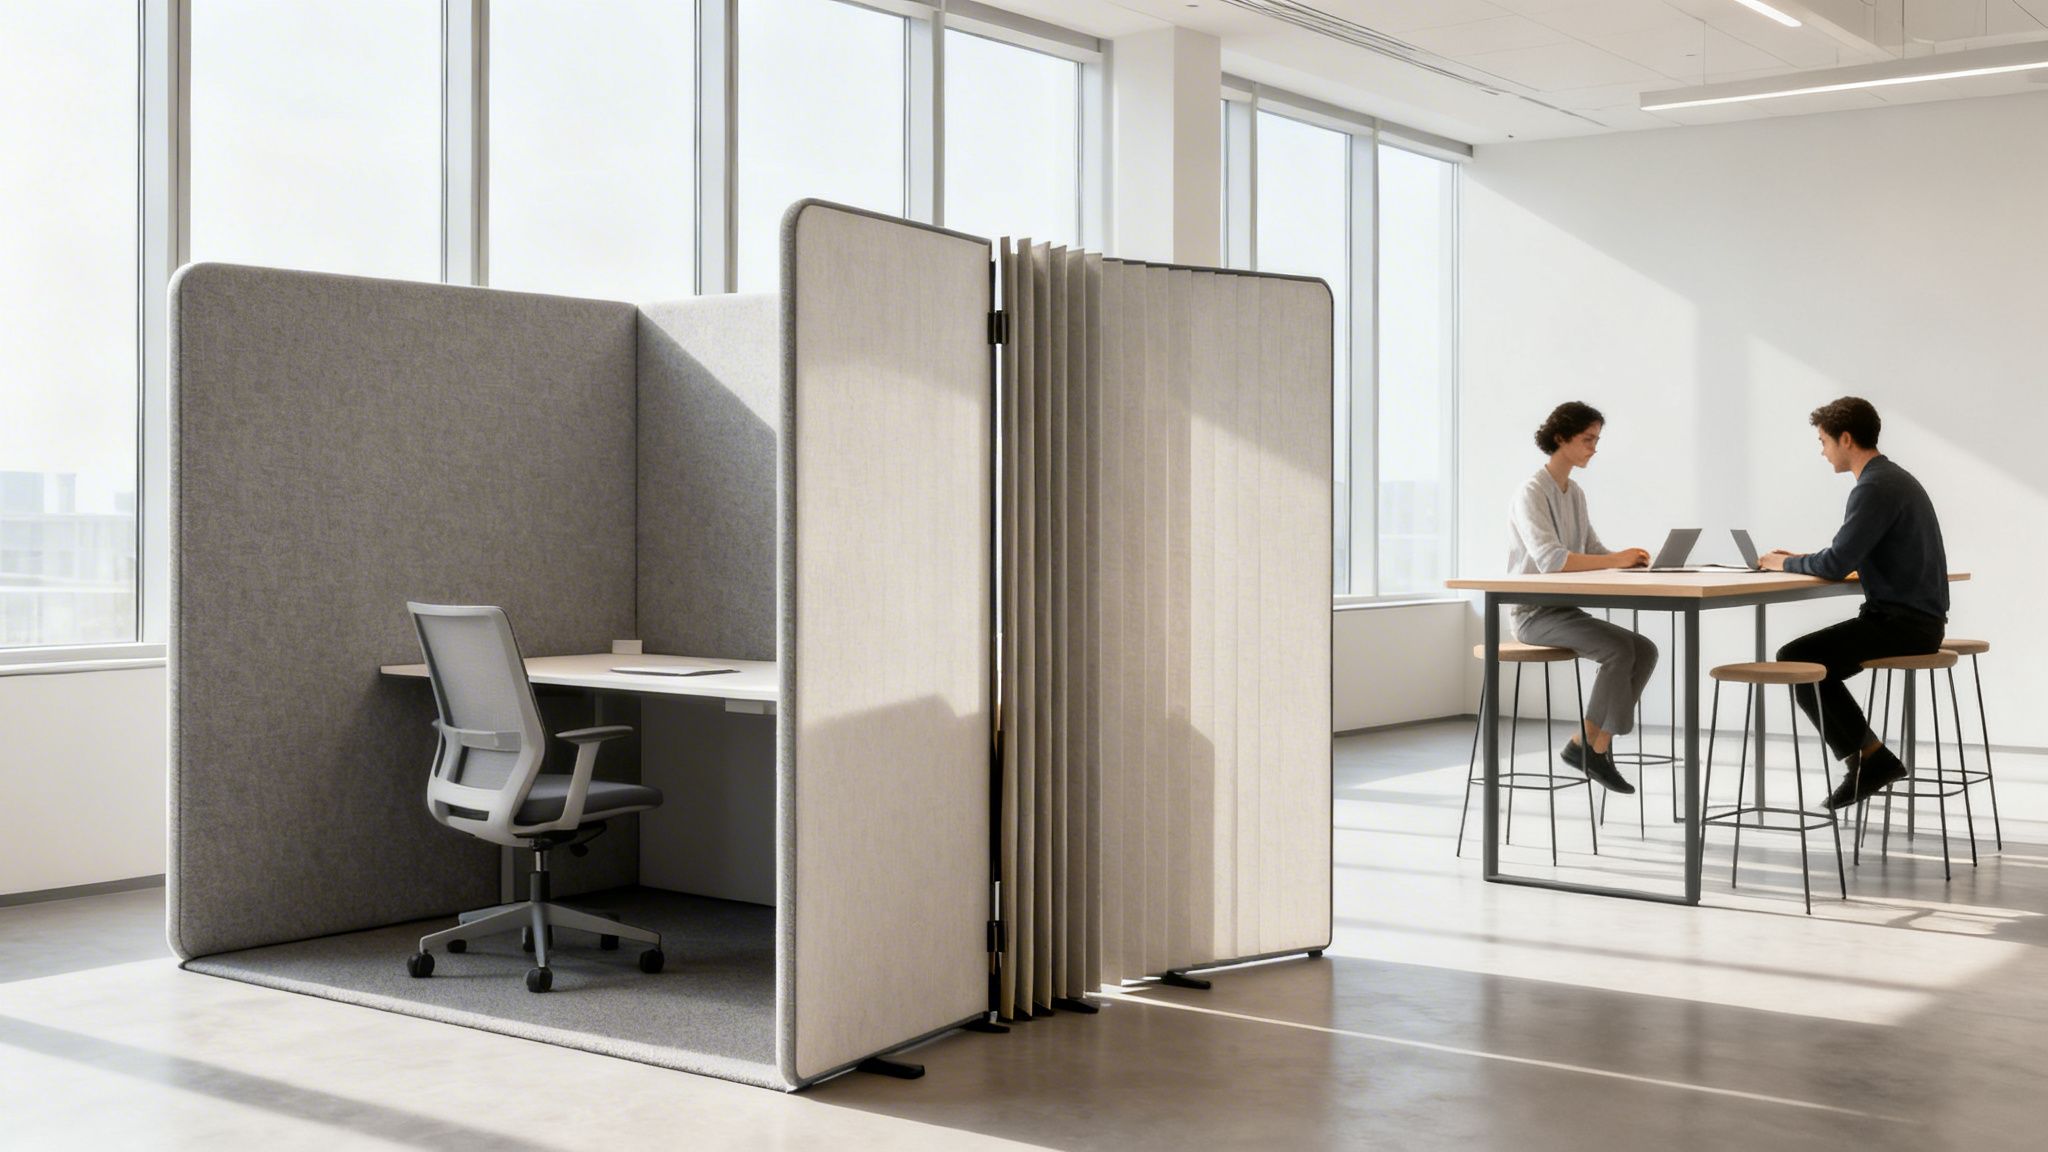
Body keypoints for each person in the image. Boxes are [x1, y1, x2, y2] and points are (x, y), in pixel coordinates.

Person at [1761, 396, 1948, 809]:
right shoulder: (1892, 479)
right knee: (1810, 661)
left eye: (1824, 440)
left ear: (1846, 438)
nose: (1822, 450)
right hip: (1917, 619)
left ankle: (1871, 759)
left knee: (1796, 658)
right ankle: (1870, 757)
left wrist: (1782, 562)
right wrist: (1804, 561)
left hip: (1903, 624)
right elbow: (1847, 557)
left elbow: (1835, 561)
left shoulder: (1874, 487)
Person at [1506, 401, 1655, 793]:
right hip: (1533, 615)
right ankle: (1593, 747)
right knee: (1619, 651)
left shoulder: (1575, 493)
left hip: (1564, 610)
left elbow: (1592, 548)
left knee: (1645, 649)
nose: (1593, 448)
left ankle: (1589, 745)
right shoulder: (1531, 492)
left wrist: (1627, 560)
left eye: (1596, 440)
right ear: (1561, 438)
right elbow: (1552, 560)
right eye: (1588, 439)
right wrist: (1613, 559)